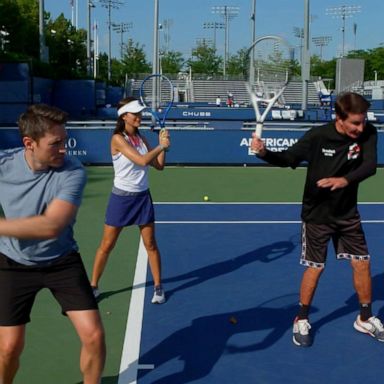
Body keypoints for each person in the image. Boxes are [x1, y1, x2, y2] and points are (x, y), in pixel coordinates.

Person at [250, 92, 384, 347]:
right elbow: (288, 159)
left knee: (362, 263)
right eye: (355, 123)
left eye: (363, 121)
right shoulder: (317, 136)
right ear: (339, 118)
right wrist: (265, 152)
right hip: (317, 215)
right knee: (316, 267)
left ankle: (365, 318)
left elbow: (370, 166)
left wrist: (344, 180)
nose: (360, 127)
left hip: (347, 214)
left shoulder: (368, 133)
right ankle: (301, 318)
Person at [0, 104, 106, 383]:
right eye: (55, 143)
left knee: (94, 336)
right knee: (9, 348)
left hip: (62, 260)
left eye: (65, 141)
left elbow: (51, 226)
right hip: (12, 264)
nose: (64, 149)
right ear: (29, 143)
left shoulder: (73, 172)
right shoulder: (4, 166)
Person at [91, 97, 170, 304]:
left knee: (151, 244)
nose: (139, 117)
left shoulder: (142, 139)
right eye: (135, 114)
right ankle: (93, 286)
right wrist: (160, 147)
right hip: (121, 199)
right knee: (107, 245)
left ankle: (158, 287)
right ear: (124, 116)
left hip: (143, 197)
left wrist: (164, 146)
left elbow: (158, 166)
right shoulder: (117, 139)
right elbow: (142, 160)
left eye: (139, 113)